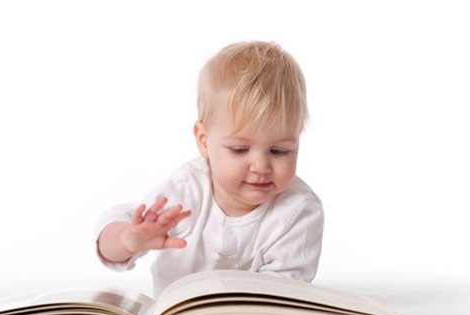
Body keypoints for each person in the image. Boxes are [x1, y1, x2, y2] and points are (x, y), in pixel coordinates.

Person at [93, 40, 324, 298]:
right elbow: (110, 238)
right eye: (239, 150)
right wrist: (128, 240)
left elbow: (283, 294)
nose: (260, 167)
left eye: (279, 151)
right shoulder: (188, 189)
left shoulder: (299, 212)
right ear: (204, 141)